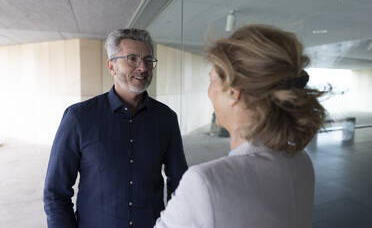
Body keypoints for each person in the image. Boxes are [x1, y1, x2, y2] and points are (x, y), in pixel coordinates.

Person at [154, 24, 327, 228]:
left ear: (233, 93)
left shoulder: (205, 183)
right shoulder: (301, 162)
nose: (209, 92)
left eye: (212, 80)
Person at [44, 28, 188, 228]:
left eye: (148, 60)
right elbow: (55, 193)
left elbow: (179, 185)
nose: (143, 68)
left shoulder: (166, 119)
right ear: (111, 66)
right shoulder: (78, 118)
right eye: (132, 59)